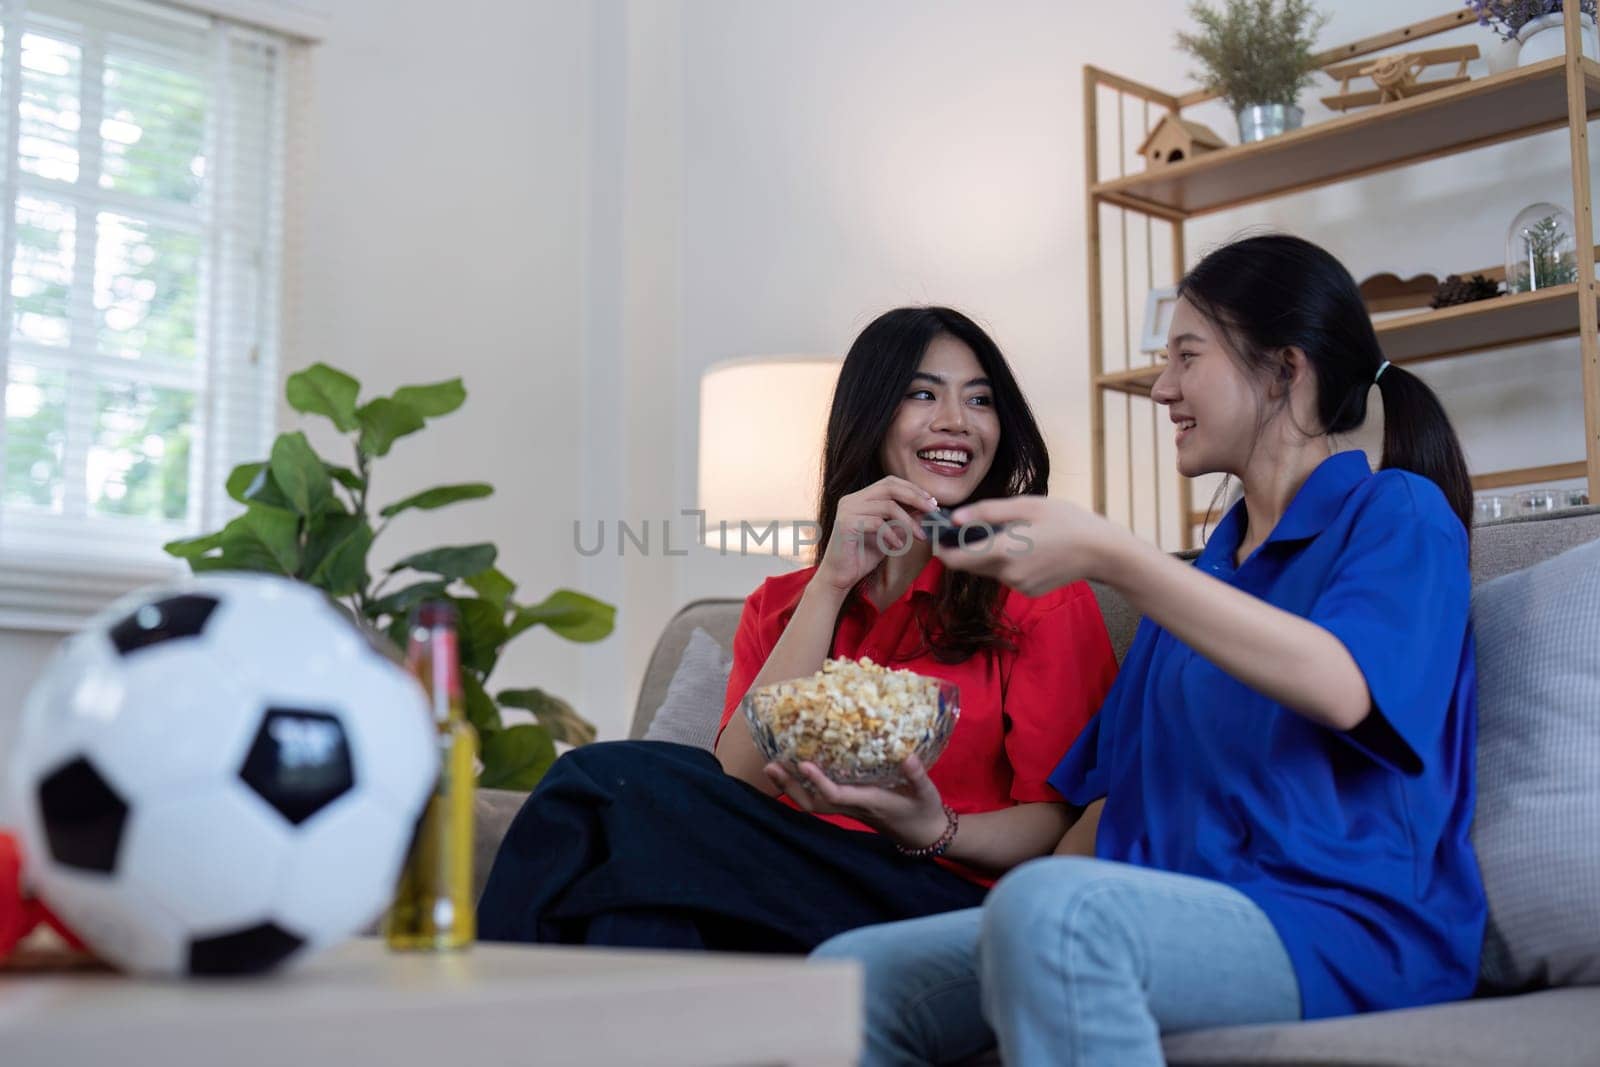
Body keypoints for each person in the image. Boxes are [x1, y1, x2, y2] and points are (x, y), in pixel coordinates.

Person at [813, 235, 1487, 1066]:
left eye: (1187, 357)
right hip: (1158, 913)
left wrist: (1118, 557)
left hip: (1343, 924)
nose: (1162, 387)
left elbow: (1344, 684)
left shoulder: (1397, 516)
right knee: (852, 973)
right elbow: (1102, 816)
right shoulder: (1204, 579)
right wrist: (938, 830)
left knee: (1057, 915)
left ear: (1285, 369)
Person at [476, 306, 1119, 952]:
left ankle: (462, 1021)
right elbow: (734, 781)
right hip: (777, 874)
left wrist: (934, 827)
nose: (956, 419)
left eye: (979, 399)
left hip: (938, 887)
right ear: (870, 417)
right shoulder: (784, 603)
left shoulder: (1037, 592)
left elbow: (1058, 819)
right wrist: (830, 583)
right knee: (635, 911)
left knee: (594, 784)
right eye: (923, 393)